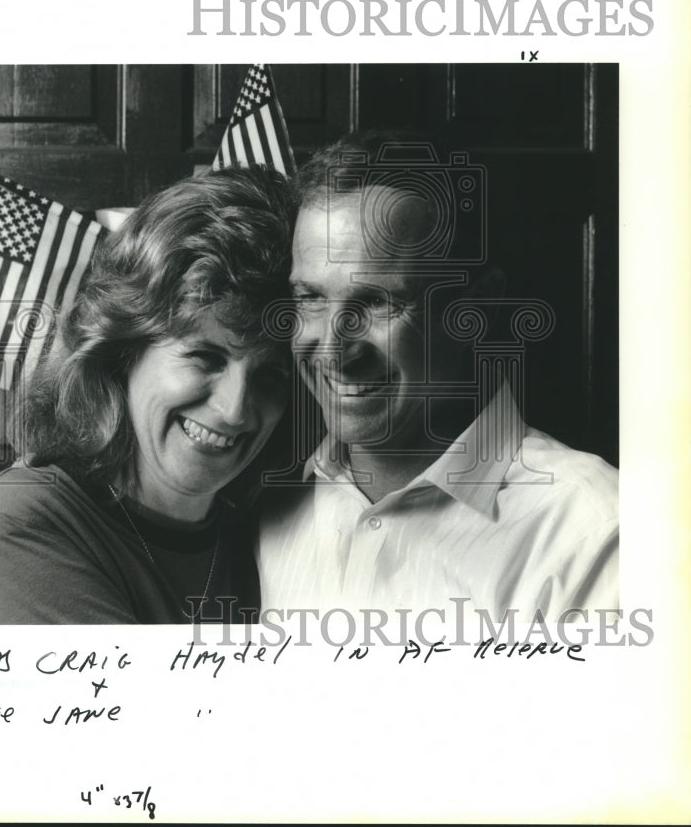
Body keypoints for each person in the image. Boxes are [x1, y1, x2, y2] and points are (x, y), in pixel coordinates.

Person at [257, 132, 618, 623]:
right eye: (311, 298)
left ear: (480, 309)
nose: (334, 349)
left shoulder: (594, 533)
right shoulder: (260, 500)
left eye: (377, 302)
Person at [0, 167, 295, 624]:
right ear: (125, 348)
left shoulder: (269, 530)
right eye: (205, 356)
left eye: (270, 376)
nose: (235, 408)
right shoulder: (20, 526)